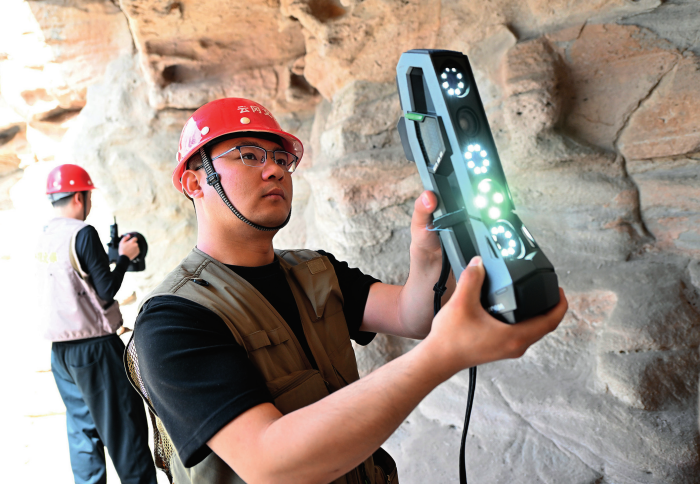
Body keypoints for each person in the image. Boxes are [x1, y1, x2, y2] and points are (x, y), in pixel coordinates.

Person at [126, 98, 568, 484]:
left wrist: (428, 254)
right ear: (194, 182)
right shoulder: (174, 320)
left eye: (281, 158)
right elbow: (270, 464)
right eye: (248, 155)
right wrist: (443, 354)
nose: (274, 169)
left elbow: (412, 315)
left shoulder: (314, 270)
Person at [35, 164, 157, 484]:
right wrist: (125, 257)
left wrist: (109, 258)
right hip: (96, 350)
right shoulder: (83, 233)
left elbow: (76, 277)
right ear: (80, 197)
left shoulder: (46, 235)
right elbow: (105, 290)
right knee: (125, 431)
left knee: (83, 435)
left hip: (61, 354)